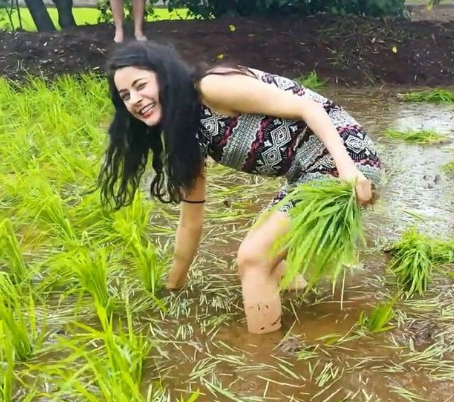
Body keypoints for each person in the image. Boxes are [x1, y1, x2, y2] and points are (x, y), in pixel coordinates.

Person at [97, 41, 383, 334]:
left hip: (345, 160)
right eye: (125, 95)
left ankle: (263, 352)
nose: (135, 99)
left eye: (140, 85)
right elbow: (191, 220)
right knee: (268, 251)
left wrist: (348, 171)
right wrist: (173, 288)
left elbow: (308, 107)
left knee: (253, 258)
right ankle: (303, 310)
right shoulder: (186, 134)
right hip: (306, 175)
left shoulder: (211, 88)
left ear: (165, 76)